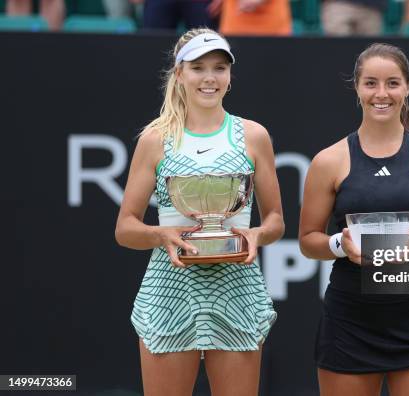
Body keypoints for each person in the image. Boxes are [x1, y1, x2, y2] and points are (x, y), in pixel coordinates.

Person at [115, 28, 284, 396]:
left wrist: (256, 235)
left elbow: (275, 222)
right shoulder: (155, 139)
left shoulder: (254, 135)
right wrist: (161, 235)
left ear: (229, 76)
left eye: (219, 68)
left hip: (237, 288)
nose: (210, 78)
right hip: (170, 290)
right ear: (179, 74)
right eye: (198, 68)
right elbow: (125, 228)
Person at [298, 43, 409, 395]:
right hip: (349, 322)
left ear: (407, 87)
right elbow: (308, 240)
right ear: (357, 87)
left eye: (392, 83)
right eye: (371, 83)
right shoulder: (328, 161)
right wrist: (340, 246)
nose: (381, 94)